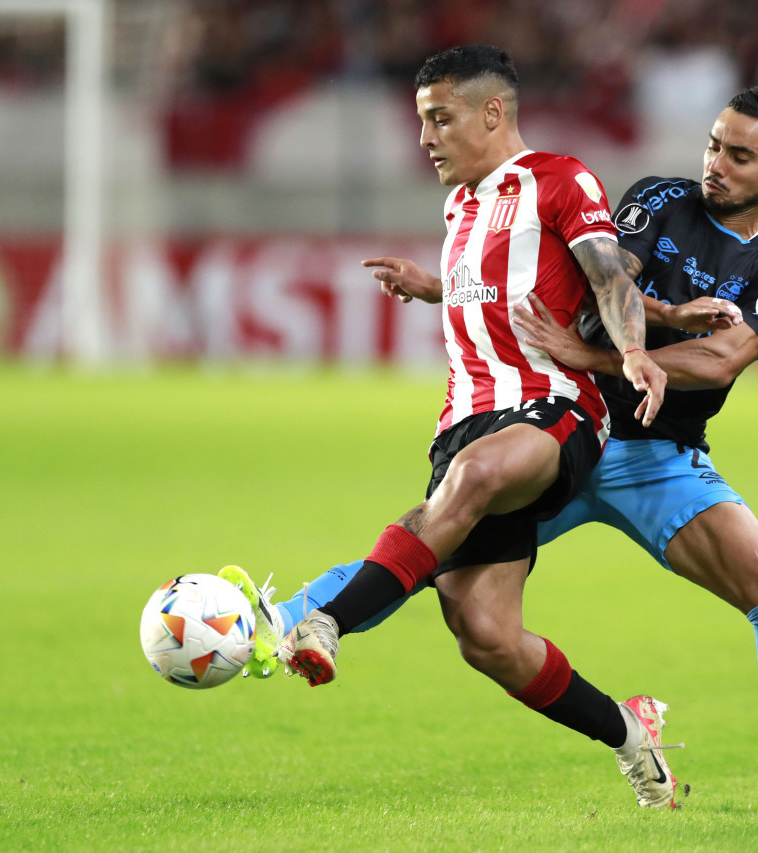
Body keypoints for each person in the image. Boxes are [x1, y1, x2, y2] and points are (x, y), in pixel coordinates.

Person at [232, 85, 758, 819]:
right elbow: (602, 276)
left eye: (739, 154)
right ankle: (277, 619)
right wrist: (472, 299)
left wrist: (595, 355)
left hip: (661, 454)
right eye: (713, 144)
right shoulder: (660, 200)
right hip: (575, 426)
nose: (716, 164)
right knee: (439, 533)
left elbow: (724, 359)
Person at [222, 44, 684, 810]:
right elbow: (503, 287)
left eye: (440, 119)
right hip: (464, 422)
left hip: (556, 409)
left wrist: (632, 349)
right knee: (487, 637)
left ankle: (324, 624)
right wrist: (436, 289)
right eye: (422, 121)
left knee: (473, 480)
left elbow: (607, 274)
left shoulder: (559, 180)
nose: (426, 137)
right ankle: (631, 734)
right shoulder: (459, 205)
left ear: (492, 113)